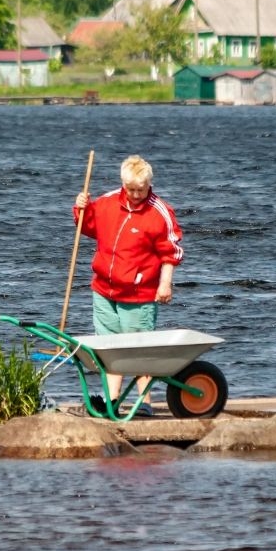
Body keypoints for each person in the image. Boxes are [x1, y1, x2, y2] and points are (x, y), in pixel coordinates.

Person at [73, 154, 184, 416]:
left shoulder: (160, 213)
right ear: (123, 184)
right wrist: (81, 208)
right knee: (110, 350)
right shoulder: (108, 202)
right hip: (103, 289)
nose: (136, 195)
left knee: (138, 351)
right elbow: (86, 226)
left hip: (139, 294)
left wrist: (165, 284)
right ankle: (112, 402)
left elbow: (171, 252)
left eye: (141, 189)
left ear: (149, 184)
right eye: (131, 189)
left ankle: (144, 403)